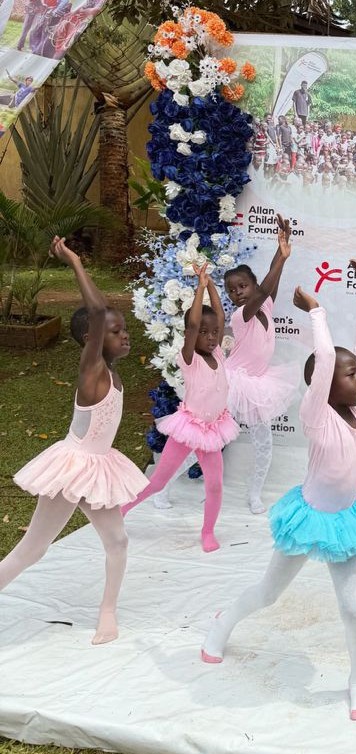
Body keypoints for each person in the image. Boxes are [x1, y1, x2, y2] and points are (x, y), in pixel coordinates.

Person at [201, 265, 356, 723]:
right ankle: (222, 624)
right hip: (308, 516)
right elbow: (326, 360)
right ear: (326, 386)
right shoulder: (317, 415)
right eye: (351, 376)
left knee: (352, 606)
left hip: (346, 520)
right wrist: (318, 312)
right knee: (269, 593)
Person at [3, 238, 147, 645]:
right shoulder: (93, 370)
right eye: (115, 331)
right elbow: (97, 312)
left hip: (98, 467)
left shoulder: (114, 375)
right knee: (33, 549)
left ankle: (107, 612)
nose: (125, 336)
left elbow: (103, 316)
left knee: (117, 539)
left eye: (125, 330)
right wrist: (76, 261)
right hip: (72, 467)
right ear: (91, 340)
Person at [121, 264, 238, 553]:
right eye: (204, 333)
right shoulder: (189, 358)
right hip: (189, 428)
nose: (211, 337)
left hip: (212, 430)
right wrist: (199, 288)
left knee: (215, 485)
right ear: (191, 336)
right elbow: (194, 324)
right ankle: (121, 510)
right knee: (159, 481)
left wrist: (211, 285)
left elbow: (220, 317)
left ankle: (207, 532)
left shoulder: (219, 355)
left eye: (215, 334)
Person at [222, 215, 298, 512]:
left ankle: (254, 494)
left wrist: (283, 247)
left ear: (253, 285)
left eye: (243, 286)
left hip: (258, 386)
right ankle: (165, 485)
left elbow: (270, 283)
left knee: (263, 445)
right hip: (232, 384)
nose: (237, 292)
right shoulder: (240, 316)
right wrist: (283, 258)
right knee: (208, 438)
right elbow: (266, 287)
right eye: (232, 290)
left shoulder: (264, 303)